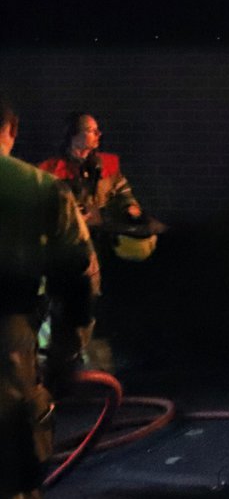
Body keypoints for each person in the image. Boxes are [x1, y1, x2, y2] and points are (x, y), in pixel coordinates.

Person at [1, 95, 100, 499]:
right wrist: (64, 361)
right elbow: (78, 286)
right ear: (9, 131)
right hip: (8, 364)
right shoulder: (39, 189)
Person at [37, 112, 148, 379]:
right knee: (65, 307)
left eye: (97, 130)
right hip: (68, 250)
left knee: (98, 306)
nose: (98, 135)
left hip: (103, 245)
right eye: (91, 130)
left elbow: (122, 193)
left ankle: (96, 367)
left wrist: (130, 209)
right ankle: (61, 365)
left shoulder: (107, 166)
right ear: (73, 136)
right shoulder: (50, 171)